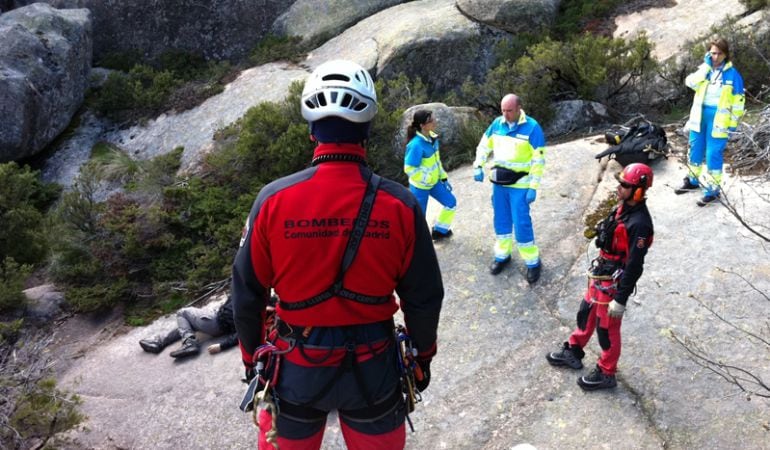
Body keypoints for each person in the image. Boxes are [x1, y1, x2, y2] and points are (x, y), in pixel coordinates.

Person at [231, 59, 443, 450]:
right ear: (366, 127)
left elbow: (247, 295)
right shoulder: (399, 205)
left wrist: (251, 359)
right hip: (374, 365)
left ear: (313, 130)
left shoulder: (273, 201)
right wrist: (422, 356)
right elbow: (424, 296)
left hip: (295, 367)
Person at [546, 163, 654, 391]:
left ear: (638, 190)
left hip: (615, 282)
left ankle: (607, 373)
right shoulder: (623, 208)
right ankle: (573, 350)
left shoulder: (640, 225)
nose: (619, 188)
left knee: (607, 329)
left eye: (625, 185)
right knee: (586, 313)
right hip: (603, 272)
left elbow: (635, 264)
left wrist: (621, 299)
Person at [473, 93, 545, 283]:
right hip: (500, 185)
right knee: (501, 221)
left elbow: (538, 160)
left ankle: (532, 262)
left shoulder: (532, 128)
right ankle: (502, 255)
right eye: (503, 110)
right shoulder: (497, 124)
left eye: (509, 111)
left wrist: (533, 187)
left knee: (521, 223)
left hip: (520, 185)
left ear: (519, 108)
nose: (505, 115)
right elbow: (483, 146)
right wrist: (478, 165)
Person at [675, 37, 745, 206]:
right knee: (694, 149)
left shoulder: (732, 74)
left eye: (719, 53)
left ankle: (712, 190)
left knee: (713, 154)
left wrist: (733, 125)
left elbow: (738, 102)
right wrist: (705, 67)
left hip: (719, 119)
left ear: (725, 54)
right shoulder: (704, 70)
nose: (715, 57)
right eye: (713, 53)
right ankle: (692, 180)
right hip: (699, 115)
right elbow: (689, 82)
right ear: (708, 53)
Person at [403, 109, 456, 240]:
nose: (435, 121)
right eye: (431, 120)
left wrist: (443, 177)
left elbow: (436, 162)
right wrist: (427, 179)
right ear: (422, 125)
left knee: (451, 203)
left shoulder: (433, 138)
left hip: (434, 183)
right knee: (419, 219)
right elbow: (409, 168)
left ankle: (439, 230)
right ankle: (416, 246)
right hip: (420, 188)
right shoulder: (415, 145)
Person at [139, 295, 236, 358]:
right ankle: (159, 342)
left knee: (183, 313)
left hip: (216, 323)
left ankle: (189, 343)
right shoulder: (247, 294)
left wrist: (222, 346)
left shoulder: (244, 295)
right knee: (186, 324)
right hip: (221, 325)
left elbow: (246, 332)